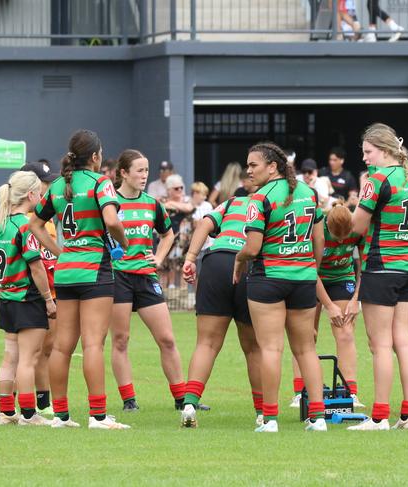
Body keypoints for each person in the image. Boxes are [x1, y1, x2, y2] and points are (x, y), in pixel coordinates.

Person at [29, 129, 130, 430]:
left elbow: (35, 224)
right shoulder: (100, 183)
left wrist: (59, 252)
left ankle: (61, 416)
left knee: (62, 346)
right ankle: (98, 416)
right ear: (96, 156)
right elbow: (112, 221)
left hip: (66, 269)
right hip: (95, 268)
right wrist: (124, 242)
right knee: (94, 344)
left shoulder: (58, 185)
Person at [233, 142, 327, 432]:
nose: (248, 170)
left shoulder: (259, 197)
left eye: (253, 165)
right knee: (306, 350)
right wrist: (310, 267)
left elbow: (252, 247)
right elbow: (319, 241)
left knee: (271, 349)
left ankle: (270, 419)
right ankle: (319, 418)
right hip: (303, 278)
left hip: (269, 278)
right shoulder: (308, 193)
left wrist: (238, 261)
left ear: (272, 166)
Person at [348, 123, 408, 431]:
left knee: (380, 345)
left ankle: (380, 416)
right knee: (404, 342)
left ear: (383, 150)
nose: (366, 158)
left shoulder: (377, 180)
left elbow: (357, 227)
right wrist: (405, 253)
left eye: (368, 152)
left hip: (381, 268)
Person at [179, 183, 262, 428]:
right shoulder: (270, 202)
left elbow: (205, 224)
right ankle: (261, 412)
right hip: (247, 265)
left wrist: (190, 258)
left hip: (216, 262)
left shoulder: (233, 203)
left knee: (206, 343)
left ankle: (189, 404)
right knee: (254, 348)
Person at [109, 149, 186, 412]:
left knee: (167, 339)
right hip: (117, 276)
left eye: (146, 170)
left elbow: (168, 234)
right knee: (120, 340)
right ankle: (129, 401)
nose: (145, 176)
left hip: (145, 276)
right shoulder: (109, 203)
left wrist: (159, 258)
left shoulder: (152, 203)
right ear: (123, 173)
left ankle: (181, 399)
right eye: (139, 170)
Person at [0, 171, 57, 426]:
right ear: (31, 195)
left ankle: (6, 413)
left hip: (8, 300)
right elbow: (36, 267)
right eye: (40, 192)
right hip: (28, 298)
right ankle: (28, 414)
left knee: (10, 357)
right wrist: (48, 298)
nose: (42, 196)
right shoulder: (24, 226)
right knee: (29, 358)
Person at [290, 203, 364, 409]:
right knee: (306, 334)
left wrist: (355, 298)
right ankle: (300, 392)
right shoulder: (317, 229)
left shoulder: (359, 228)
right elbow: (312, 269)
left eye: (345, 236)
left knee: (345, 332)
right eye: (335, 236)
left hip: (342, 278)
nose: (341, 241)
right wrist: (329, 305)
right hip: (313, 278)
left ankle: (350, 392)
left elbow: (365, 264)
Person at [20, 161, 60, 416]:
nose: (47, 190)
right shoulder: (22, 221)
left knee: (47, 348)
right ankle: (22, 403)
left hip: (52, 289)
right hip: (32, 293)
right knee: (29, 352)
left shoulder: (47, 219)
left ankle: (43, 401)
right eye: (44, 184)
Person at [163, 174, 194, 290]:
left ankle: (183, 291)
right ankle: (167, 291)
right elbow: (161, 205)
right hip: (167, 236)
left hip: (184, 238)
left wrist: (172, 204)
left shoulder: (187, 200)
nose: (180, 190)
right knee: (167, 264)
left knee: (183, 264)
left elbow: (189, 208)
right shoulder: (163, 200)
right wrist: (171, 204)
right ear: (169, 190)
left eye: (181, 187)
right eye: (176, 188)